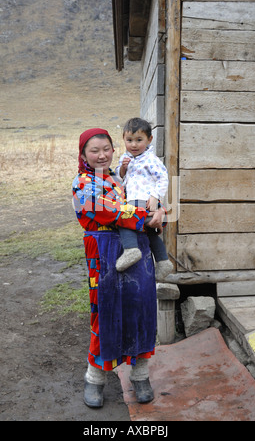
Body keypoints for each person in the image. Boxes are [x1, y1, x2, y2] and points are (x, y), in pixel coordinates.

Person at [72, 128, 165, 409]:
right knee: (106, 310)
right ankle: (95, 378)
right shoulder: (81, 184)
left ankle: (140, 376)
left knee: (141, 307)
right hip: (103, 251)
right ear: (83, 154)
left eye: (106, 149)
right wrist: (147, 216)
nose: (101, 155)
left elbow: (149, 197)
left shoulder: (121, 177)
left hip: (136, 246)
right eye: (94, 150)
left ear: (114, 150)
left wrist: (160, 207)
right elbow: (109, 211)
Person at [115, 118, 173, 281]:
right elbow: (120, 180)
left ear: (149, 140)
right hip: (133, 200)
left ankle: (131, 249)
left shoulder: (150, 160)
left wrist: (155, 196)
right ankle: (163, 261)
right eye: (129, 140)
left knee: (124, 220)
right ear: (124, 140)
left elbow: (163, 179)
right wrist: (123, 169)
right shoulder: (125, 158)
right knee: (149, 231)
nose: (133, 145)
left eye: (139, 140)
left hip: (143, 200)